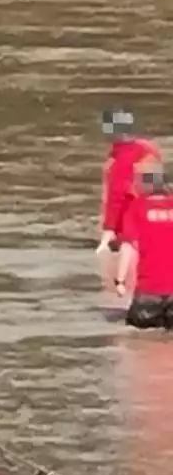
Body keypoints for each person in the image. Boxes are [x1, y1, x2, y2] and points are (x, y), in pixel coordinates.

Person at [97, 107, 162, 255]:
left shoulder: (121, 160)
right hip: (154, 220)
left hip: (128, 229)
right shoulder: (149, 148)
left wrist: (108, 231)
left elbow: (116, 196)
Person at [115, 169, 173, 329]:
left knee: (137, 338)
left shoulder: (137, 207)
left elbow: (128, 247)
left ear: (145, 187)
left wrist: (119, 281)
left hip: (149, 290)